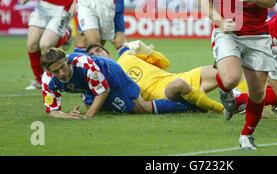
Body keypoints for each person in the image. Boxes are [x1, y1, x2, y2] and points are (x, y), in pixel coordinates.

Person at [197, 0, 277, 150]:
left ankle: (247, 135)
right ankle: (227, 94)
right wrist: (220, 21)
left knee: (257, 93)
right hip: (229, 32)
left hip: (258, 34)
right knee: (232, 78)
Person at [86, 41, 239, 114]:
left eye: (98, 51)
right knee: (179, 84)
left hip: (177, 76)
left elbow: (165, 62)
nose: (96, 55)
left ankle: (244, 101)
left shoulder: (127, 56)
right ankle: (223, 110)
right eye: (92, 55)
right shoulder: (107, 77)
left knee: (227, 71)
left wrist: (147, 50)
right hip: (164, 92)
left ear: (108, 53)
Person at [40, 47, 196, 119]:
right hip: (90, 84)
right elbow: (52, 110)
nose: (61, 73)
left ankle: (189, 106)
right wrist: (69, 116)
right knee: (99, 108)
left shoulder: (84, 64)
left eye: (62, 67)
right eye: (55, 71)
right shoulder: (47, 81)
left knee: (140, 109)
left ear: (67, 61)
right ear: (48, 71)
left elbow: (103, 91)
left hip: (110, 73)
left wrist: (87, 116)